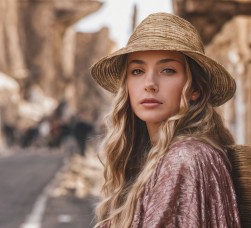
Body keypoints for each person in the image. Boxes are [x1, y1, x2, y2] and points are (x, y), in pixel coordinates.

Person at [90, 12, 241, 227]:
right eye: (137, 71)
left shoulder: (183, 158)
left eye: (168, 70)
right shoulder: (157, 155)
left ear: (195, 89)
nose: (149, 83)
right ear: (127, 85)